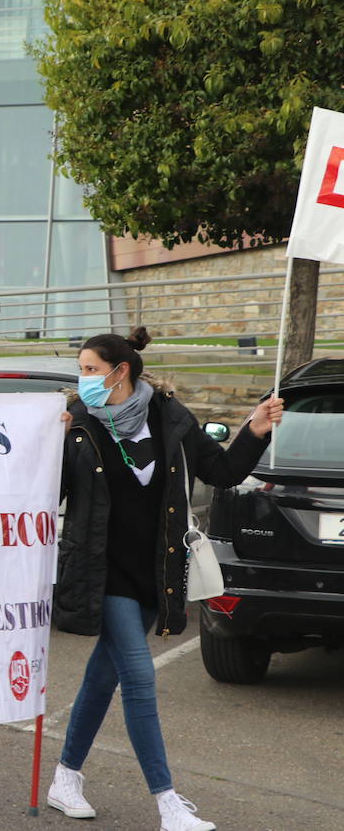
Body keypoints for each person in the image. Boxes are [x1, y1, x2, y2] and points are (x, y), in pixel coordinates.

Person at [47, 328, 282, 831]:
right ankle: (168, 802)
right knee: (137, 676)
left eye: (89, 369)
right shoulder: (79, 425)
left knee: (100, 679)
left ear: (120, 371)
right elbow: (53, 492)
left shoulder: (170, 419)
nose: (82, 379)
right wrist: (53, 444)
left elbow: (221, 472)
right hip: (101, 571)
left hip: (156, 573)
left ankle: (65, 777)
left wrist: (255, 429)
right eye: (81, 370)